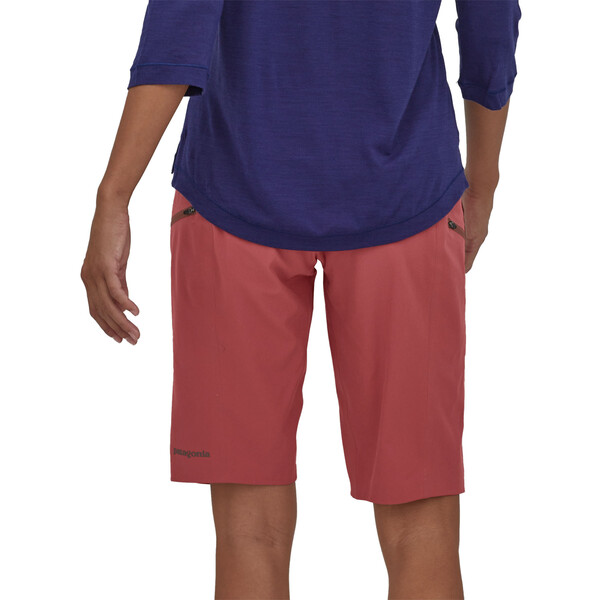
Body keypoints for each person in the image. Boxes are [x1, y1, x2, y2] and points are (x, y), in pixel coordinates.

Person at [81, 1, 521, 597]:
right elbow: (490, 22)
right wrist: (483, 183)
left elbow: (178, 28)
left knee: (249, 531)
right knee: (420, 525)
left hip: (236, 188)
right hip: (404, 194)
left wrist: (115, 195)